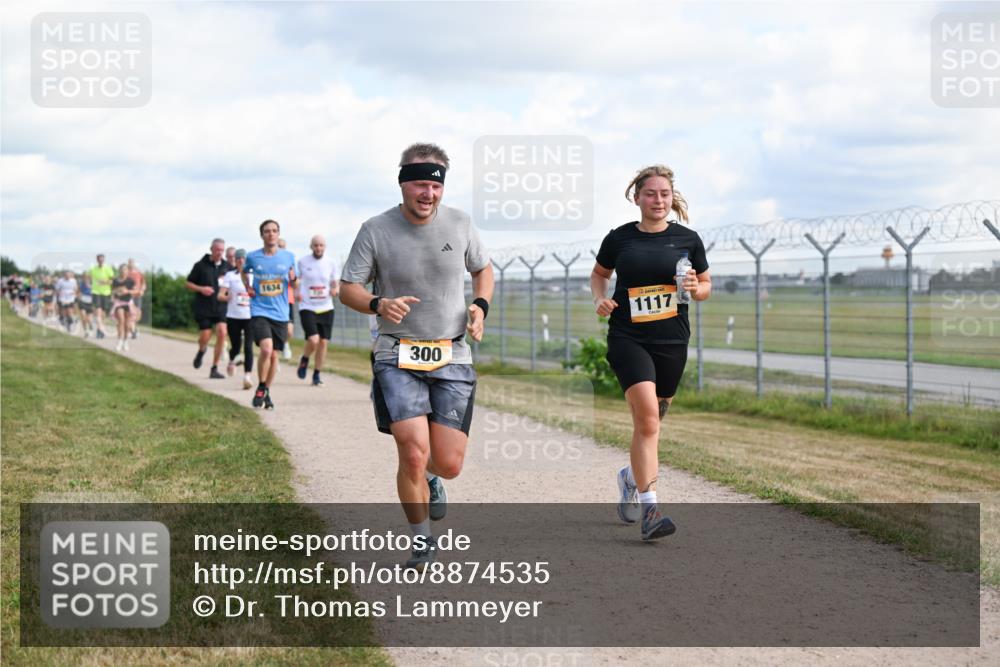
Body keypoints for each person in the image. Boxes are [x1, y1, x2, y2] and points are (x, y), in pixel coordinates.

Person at [340, 142, 493, 569]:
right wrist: (377, 304)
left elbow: (483, 269)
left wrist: (479, 307)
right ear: (404, 184)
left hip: (452, 353)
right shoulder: (375, 229)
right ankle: (422, 540)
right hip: (397, 353)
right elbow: (347, 287)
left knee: (448, 463)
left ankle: (432, 478)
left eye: (435, 186)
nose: (429, 194)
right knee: (411, 449)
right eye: (420, 185)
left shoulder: (461, 223)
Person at [591, 164, 711, 541]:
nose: (658, 200)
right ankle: (651, 508)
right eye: (650, 194)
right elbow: (599, 274)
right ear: (637, 197)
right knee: (646, 421)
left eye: (664, 194)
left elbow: (706, 285)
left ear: (672, 198)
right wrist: (600, 299)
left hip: (672, 340)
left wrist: (695, 286)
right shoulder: (620, 239)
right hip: (629, 337)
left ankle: (630, 477)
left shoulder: (688, 239)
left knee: (655, 421)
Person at [243, 220, 296, 409]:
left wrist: (293, 279)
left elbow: (295, 283)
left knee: (274, 355)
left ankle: (264, 389)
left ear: (278, 234)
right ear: (262, 235)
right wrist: (248, 287)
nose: (271, 234)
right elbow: (244, 272)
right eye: (267, 231)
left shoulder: (289, 256)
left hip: (280, 313)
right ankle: (261, 387)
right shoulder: (253, 257)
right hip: (259, 310)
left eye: (274, 231)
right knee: (266, 349)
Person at [296, 235, 340, 386]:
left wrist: (335, 289)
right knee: (313, 339)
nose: (318, 248)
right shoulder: (302, 262)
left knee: (323, 343)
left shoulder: (331, 263)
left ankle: (316, 374)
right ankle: (305, 358)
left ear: (325, 247)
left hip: (326, 307)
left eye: (321, 245)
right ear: (311, 246)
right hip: (307, 306)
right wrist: (297, 291)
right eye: (316, 245)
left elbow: (335, 282)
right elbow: (296, 280)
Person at [186, 238, 231, 379]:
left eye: (222, 250)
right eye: (217, 250)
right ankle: (201, 350)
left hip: (221, 307)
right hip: (204, 307)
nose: (220, 253)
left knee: (222, 333)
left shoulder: (227, 267)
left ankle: (214, 368)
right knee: (205, 335)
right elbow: (188, 283)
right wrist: (201, 289)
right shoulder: (200, 266)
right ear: (211, 249)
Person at [219, 248, 255, 390]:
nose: (241, 261)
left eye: (243, 258)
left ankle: (247, 376)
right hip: (233, 316)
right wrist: (227, 297)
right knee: (236, 345)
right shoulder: (230, 275)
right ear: (235, 261)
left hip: (250, 316)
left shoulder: (254, 276)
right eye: (238, 258)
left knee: (248, 347)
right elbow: (220, 295)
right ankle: (232, 361)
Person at [88, 254, 115, 339]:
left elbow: (112, 281)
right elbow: (87, 278)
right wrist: (89, 285)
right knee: (98, 311)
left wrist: (105, 282)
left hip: (106, 293)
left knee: (103, 314)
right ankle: (100, 330)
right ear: (97, 260)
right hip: (96, 292)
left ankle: (99, 330)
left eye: (102, 259)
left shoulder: (108, 268)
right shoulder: (92, 269)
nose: (100, 261)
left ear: (104, 260)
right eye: (99, 259)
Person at [111, 263, 136, 351]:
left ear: (127, 271)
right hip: (119, 303)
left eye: (125, 269)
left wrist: (127, 291)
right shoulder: (116, 281)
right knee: (121, 320)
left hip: (128, 302)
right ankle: (119, 341)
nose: (123, 271)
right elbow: (113, 291)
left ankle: (125, 341)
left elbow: (135, 291)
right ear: (119, 270)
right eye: (122, 269)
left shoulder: (130, 281)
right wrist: (115, 293)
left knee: (127, 323)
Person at [278, 238, 295, 361]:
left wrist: (294, 279)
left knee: (289, 331)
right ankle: (275, 357)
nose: (281, 248)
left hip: (287, 299)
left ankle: (285, 343)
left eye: (283, 246)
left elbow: (296, 283)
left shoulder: (289, 262)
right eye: (279, 246)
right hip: (272, 301)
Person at [127, 258, 146, 339]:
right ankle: (133, 331)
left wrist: (142, 290)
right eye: (129, 263)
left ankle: (133, 329)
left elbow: (144, 284)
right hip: (129, 296)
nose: (131, 264)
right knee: (131, 314)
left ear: (134, 264)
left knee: (138, 315)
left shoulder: (139, 273)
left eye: (132, 263)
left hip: (138, 296)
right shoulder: (126, 274)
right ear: (128, 264)